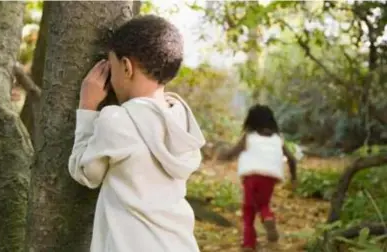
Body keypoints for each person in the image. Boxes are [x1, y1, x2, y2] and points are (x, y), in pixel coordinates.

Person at [68, 15, 205, 252]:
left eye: (110, 68)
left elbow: (86, 173)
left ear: (126, 67)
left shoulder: (118, 120)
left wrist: (87, 108)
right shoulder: (181, 117)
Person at [217, 104, 297, 252]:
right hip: (270, 177)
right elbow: (291, 159)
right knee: (263, 203)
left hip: (251, 177)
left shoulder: (248, 137)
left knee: (248, 209)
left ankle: (249, 243)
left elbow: (232, 153)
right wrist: (294, 178)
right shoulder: (277, 139)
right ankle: (268, 217)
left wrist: (222, 155)